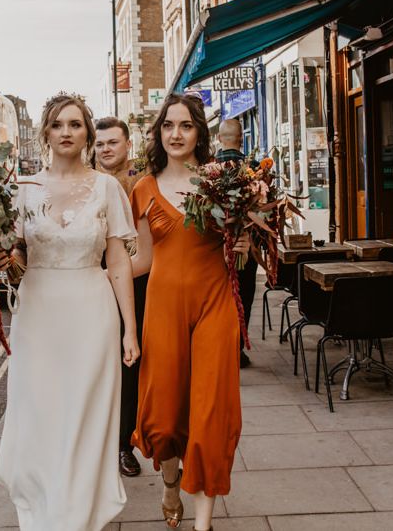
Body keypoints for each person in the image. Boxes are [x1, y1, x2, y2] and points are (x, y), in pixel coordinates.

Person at [0, 93, 140, 531]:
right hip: (38, 314)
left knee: (83, 412)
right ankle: (44, 504)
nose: (67, 133)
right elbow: (16, 258)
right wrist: (4, 262)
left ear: (87, 135)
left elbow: (117, 263)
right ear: (46, 133)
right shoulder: (22, 190)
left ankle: (75, 513)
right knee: (40, 412)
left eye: (75, 125)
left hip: (91, 314)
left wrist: (130, 330)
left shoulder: (107, 188)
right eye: (58, 125)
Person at [130, 93, 249, 531]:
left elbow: (238, 255)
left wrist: (245, 245)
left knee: (212, 410)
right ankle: (169, 481)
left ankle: (204, 523)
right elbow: (141, 260)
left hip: (215, 304)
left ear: (199, 132)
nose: (176, 134)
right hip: (162, 308)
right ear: (159, 133)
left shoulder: (223, 182)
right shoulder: (141, 188)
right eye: (168, 126)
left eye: (185, 125)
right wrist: (90, 276)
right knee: (163, 415)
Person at [95, 116, 147, 478]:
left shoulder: (141, 182)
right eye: (99, 144)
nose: (105, 149)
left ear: (128, 144)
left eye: (112, 142)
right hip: (93, 286)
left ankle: (123, 447)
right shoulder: (88, 183)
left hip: (135, 283)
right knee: (95, 367)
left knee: (130, 368)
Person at [215, 118, 258, 368]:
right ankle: (237, 349)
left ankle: (221, 347)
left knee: (221, 299)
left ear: (219, 139)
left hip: (217, 251)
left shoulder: (209, 170)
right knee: (244, 296)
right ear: (242, 139)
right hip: (247, 249)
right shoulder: (254, 168)